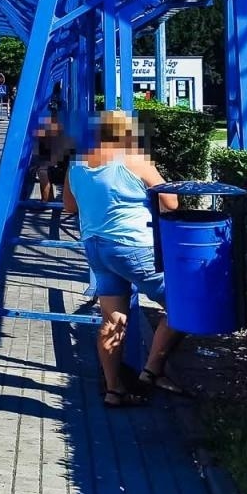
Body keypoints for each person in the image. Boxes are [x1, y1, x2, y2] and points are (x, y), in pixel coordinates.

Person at [63, 110, 185, 407]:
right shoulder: (134, 159)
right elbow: (171, 202)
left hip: (96, 248)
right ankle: (152, 370)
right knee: (184, 305)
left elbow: (69, 207)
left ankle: (114, 389)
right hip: (133, 247)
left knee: (112, 320)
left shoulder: (77, 165)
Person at [30, 117, 71, 203]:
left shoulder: (65, 143)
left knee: (43, 171)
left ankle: (47, 200)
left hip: (69, 172)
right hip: (61, 171)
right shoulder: (43, 144)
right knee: (43, 171)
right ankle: (48, 199)